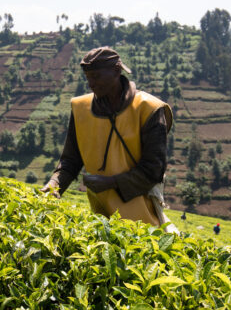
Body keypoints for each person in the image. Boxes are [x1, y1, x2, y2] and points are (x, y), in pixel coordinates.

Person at [41, 46, 176, 229]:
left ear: (116, 71)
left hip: (143, 219)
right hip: (101, 218)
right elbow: (71, 160)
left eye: (96, 76)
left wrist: (110, 183)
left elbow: (154, 170)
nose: (91, 84)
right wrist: (54, 183)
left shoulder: (149, 109)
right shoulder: (81, 109)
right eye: (88, 77)